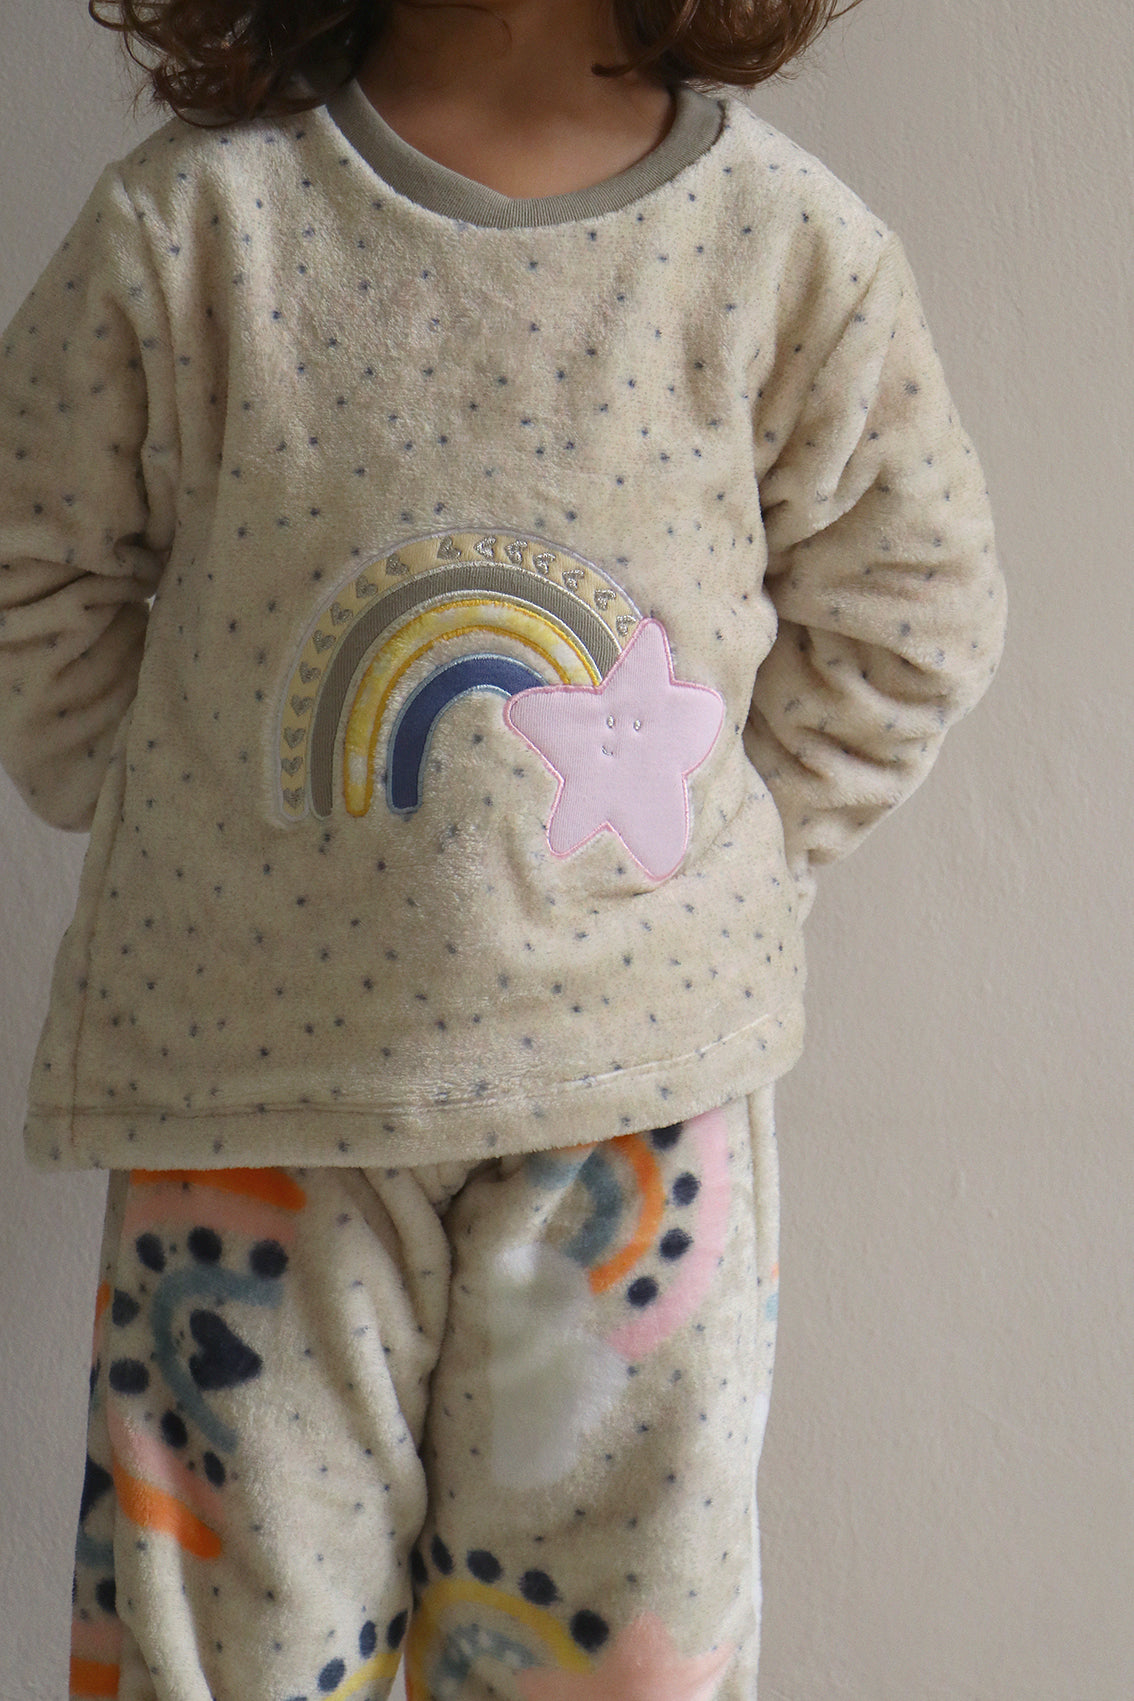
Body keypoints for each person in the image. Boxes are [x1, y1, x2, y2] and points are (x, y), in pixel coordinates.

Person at [0, 0, 1006, 1695]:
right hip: (252, 1095)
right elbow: (28, 564)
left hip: (637, 1103)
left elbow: (915, 611)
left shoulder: (784, 249)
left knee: (613, 1652)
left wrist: (718, 866)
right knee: (227, 1655)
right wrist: (188, 825)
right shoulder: (196, 226)